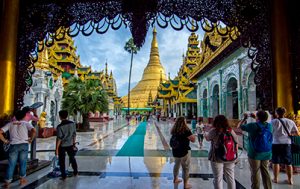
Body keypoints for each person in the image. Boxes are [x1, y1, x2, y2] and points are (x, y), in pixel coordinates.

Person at [0, 109, 36, 188]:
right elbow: (34, 130)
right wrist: (31, 139)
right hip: (24, 145)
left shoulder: (10, 124)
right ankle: (22, 179)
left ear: (15, 116)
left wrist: (5, 141)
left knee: (11, 164)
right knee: (23, 163)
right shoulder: (26, 123)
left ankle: (7, 183)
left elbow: (0, 132)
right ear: (24, 116)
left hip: (13, 145)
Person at [237, 111, 272, 189]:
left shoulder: (252, 126)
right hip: (266, 152)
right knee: (265, 172)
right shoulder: (269, 126)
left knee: (255, 172)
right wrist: (256, 117)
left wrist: (244, 118)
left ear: (258, 118)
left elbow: (239, 126)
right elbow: (261, 124)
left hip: (254, 153)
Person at [205, 115, 238, 189]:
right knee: (231, 178)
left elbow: (207, 138)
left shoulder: (214, 131)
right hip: (230, 157)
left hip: (217, 158)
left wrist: (206, 133)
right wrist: (236, 156)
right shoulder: (230, 130)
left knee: (218, 178)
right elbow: (236, 141)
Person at [271, 107, 299, 185]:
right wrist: (290, 134)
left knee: (275, 161)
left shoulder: (273, 122)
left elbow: (269, 132)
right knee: (288, 162)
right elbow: (297, 133)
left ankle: (276, 179)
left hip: (275, 143)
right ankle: (290, 180)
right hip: (287, 143)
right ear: (285, 113)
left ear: (276, 113)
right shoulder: (290, 121)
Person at [170, 116, 195, 189]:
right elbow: (193, 140)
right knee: (185, 168)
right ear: (184, 122)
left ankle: (175, 179)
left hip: (175, 151)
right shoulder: (186, 130)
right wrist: (193, 134)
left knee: (176, 165)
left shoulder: (174, 130)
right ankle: (185, 185)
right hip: (185, 151)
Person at [55, 110, 78, 180]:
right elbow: (74, 134)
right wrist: (74, 143)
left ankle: (63, 175)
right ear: (67, 116)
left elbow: (59, 138)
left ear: (60, 117)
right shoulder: (72, 124)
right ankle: (75, 172)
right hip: (70, 144)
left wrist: (56, 149)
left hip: (62, 146)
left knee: (62, 160)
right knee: (72, 158)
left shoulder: (59, 126)